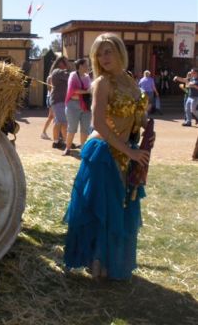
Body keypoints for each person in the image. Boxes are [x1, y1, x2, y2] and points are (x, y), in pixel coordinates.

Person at [63, 33, 152, 280]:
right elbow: (98, 124)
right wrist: (130, 151)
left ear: (120, 52)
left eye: (109, 51)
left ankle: (109, 263)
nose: (104, 57)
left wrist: (147, 127)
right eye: (100, 53)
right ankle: (97, 263)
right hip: (104, 153)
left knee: (120, 209)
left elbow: (138, 114)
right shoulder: (101, 82)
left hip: (127, 152)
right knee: (103, 210)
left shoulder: (129, 80)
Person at [63, 58, 92, 156]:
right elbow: (73, 90)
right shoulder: (73, 75)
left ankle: (83, 149)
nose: (88, 67)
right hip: (73, 105)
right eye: (86, 65)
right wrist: (87, 91)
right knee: (72, 128)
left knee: (85, 128)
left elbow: (90, 89)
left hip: (86, 106)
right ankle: (67, 148)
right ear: (80, 66)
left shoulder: (87, 77)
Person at [48, 56, 70, 149]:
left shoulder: (58, 72)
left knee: (58, 121)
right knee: (63, 122)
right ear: (60, 63)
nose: (67, 64)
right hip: (58, 100)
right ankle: (66, 142)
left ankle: (57, 142)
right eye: (65, 62)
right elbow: (70, 76)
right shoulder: (58, 71)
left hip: (60, 100)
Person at [40, 74, 54, 139]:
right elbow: (49, 88)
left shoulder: (51, 76)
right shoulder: (51, 76)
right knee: (52, 117)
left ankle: (44, 132)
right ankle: (44, 132)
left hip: (51, 98)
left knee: (51, 117)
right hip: (51, 98)